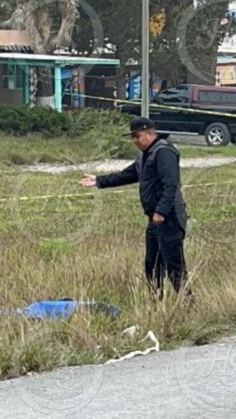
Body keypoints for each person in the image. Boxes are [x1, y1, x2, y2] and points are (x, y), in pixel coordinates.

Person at [80, 117, 189, 300]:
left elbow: (171, 184)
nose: (135, 141)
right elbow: (127, 175)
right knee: (152, 266)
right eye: (132, 137)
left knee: (174, 266)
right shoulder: (145, 155)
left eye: (137, 136)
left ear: (150, 133)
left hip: (170, 218)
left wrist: (161, 211)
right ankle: (156, 303)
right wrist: (99, 180)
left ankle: (188, 302)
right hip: (154, 220)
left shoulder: (164, 152)